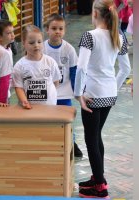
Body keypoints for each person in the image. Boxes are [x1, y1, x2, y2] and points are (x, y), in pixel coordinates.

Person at [74, 0, 131, 198]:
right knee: (96, 135)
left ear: (95, 14)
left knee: (91, 139)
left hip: (92, 94)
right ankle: (99, 177)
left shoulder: (90, 36)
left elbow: (81, 68)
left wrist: (78, 94)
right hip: (108, 94)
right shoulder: (119, 35)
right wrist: (113, 88)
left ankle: (100, 187)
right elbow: (126, 69)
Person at [43, 13, 83, 158]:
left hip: (65, 93)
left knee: (67, 122)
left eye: (60, 28)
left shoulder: (69, 49)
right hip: (46, 94)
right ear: (47, 30)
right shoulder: (42, 48)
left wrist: (77, 92)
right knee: (48, 121)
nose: (57, 31)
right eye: (54, 28)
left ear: (64, 30)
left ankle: (71, 144)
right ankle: (51, 144)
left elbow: (74, 71)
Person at [13, 25, 61, 109]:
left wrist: (50, 97)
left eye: (39, 42)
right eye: (31, 43)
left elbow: (56, 82)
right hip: (29, 108)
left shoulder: (50, 62)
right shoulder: (19, 65)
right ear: (24, 43)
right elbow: (18, 87)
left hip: (49, 107)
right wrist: (24, 101)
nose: (36, 45)